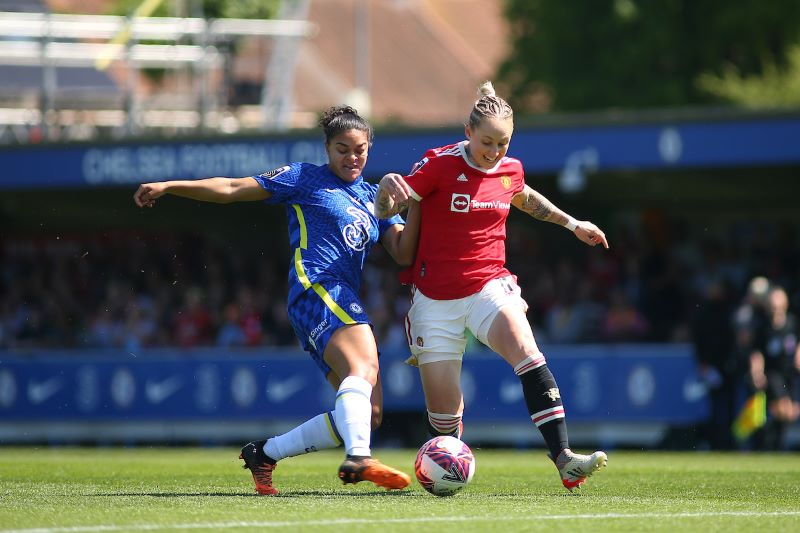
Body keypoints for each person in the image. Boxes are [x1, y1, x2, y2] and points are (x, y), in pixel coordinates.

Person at [133, 105, 420, 495]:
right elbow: (233, 189)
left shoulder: (374, 198)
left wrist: (417, 201)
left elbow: (403, 252)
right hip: (317, 285)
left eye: (360, 150)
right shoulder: (303, 178)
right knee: (364, 364)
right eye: (342, 149)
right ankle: (359, 459)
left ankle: (264, 454)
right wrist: (171, 185)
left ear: (370, 148)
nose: (352, 158)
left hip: (337, 296)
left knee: (367, 414)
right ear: (326, 147)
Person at [375, 81, 609, 492]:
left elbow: (525, 196)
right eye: (487, 142)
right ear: (468, 131)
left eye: (503, 143)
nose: (495, 152)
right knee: (446, 416)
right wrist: (384, 196)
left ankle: (564, 459)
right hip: (435, 300)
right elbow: (393, 206)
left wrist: (574, 224)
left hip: (489, 285)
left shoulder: (509, 169)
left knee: (527, 351)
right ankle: (448, 467)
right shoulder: (438, 165)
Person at [748, 285, 800, 450]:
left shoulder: (793, 323)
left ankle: (775, 445)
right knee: (784, 408)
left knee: (788, 414)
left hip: (790, 375)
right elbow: (757, 353)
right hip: (773, 375)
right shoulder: (763, 328)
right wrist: (757, 372)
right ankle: (770, 443)